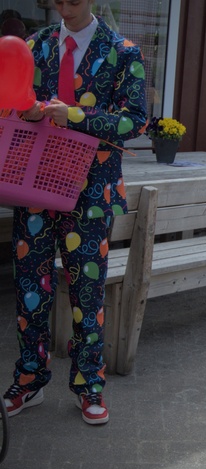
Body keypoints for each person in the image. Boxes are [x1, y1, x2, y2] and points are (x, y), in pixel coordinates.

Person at [3, 0, 147, 425]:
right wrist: (23, 110)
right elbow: (9, 104)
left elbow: (135, 121)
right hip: (34, 184)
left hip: (91, 192)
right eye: (58, 0)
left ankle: (89, 385)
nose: (65, 8)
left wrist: (76, 116)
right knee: (31, 288)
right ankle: (29, 378)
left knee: (87, 291)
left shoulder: (124, 52)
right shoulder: (35, 45)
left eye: (74, 0)